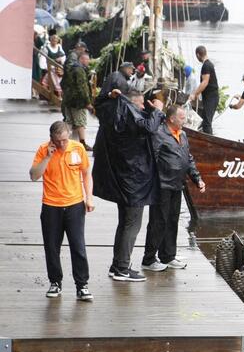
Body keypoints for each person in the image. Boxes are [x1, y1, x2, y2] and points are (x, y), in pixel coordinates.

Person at [93, 86, 164, 283]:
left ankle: (118, 265)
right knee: (132, 224)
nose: (143, 107)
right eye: (141, 104)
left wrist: (110, 95)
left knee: (124, 223)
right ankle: (122, 268)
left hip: (122, 179)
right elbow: (150, 127)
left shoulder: (114, 116)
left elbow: (98, 103)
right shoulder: (132, 118)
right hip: (134, 181)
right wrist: (157, 110)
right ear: (132, 103)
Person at [29, 121, 94, 301]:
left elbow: (86, 173)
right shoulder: (43, 150)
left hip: (74, 204)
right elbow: (34, 175)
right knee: (51, 246)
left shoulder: (77, 149)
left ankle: (82, 285)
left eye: (64, 140)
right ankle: (55, 282)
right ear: (51, 139)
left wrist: (89, 197)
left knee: (78, 246)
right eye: (58, 141)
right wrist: (48, 157)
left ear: (69, 136)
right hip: (51, 205)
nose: (62, 145)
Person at [142, 105, 205, 272]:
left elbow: (188, 159)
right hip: (161, 185)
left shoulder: (182, 134)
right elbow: (151, 159)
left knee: (172, 221)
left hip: (177, 184)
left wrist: (197, 178)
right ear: (172, 119)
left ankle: (168, 256)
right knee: (158, 222)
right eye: (182, 118)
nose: (185, 120)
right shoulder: (159, 134)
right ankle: (148, 259)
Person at [60, 52, 94, 151]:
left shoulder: (70, 68)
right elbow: (82, 88)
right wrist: (88, 103)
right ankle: (82, 143)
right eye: (87, 59)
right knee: (81, 123)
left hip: (68, 99)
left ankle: (63, 141)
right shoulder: (80, 70)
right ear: (82, 59)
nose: (88, 62)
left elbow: (63, 83)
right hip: (78, 102)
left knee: (69, 122)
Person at [189, 45, 219, 134]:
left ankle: (210, 142)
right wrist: (198, 94)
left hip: (211, 97)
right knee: (205, 120)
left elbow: (205, 82)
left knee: (207, 123)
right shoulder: (209, 64)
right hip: (210, 97)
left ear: (198, 55)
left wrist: (194, 93)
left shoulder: (206, 65)